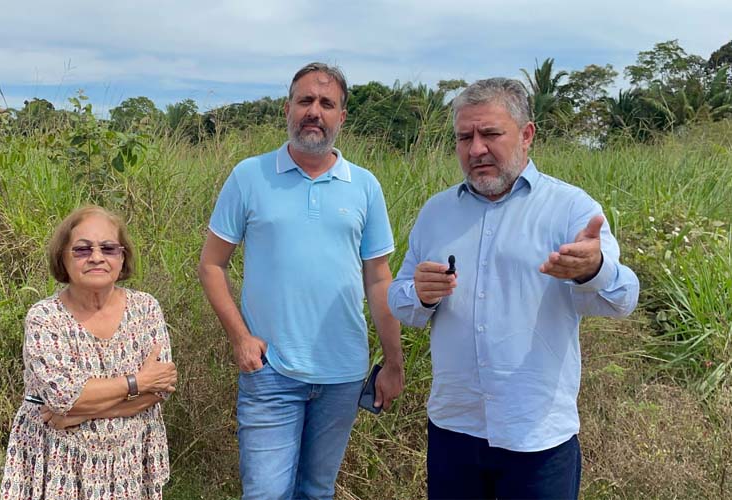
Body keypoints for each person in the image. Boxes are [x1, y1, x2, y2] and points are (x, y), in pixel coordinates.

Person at [388, 78, 640, 499]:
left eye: (489, 134)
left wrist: (592, 269)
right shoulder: (436, 213)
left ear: (526, 135)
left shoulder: (571, 209)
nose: (475, 149)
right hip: (455, 428)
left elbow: (623, 299)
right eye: (464, 137)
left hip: (537, 433)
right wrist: (421, 294)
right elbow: (402, 303)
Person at [198, 62, 404, 499]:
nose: (315, 111)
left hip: (342, 374)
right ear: (287, 108)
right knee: (267, 493)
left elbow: (378, 279)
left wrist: (393, 362)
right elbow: (211, 265)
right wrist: (241, 338)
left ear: (341, 117)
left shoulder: (364, 186)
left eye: (327, 103)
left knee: (316, 490)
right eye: (305, 100)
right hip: (271, 369)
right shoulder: (250, 176)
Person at [0, 205, 177, 500]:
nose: (97, 257)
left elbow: (159, 390)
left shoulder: (146, 308)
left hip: (129, 461)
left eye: (108, 248)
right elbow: (62, 397)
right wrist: (137, 382)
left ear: (122, 257)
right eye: (82, 250)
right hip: (58, 461)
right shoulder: (45, 317)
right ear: (63, 258)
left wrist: (82, 411)